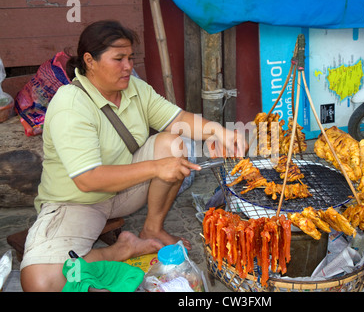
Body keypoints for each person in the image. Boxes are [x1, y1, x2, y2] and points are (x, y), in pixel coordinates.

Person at [20, 20, 247, 292]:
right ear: (90, 61)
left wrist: (218, 131)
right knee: (40, 283)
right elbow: (88, 180)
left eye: (130, 58)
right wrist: (155, 168)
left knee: (172, 144)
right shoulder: (70, 104)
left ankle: (152, 228)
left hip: (124, 190)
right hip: (77, 202)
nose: (128, 66)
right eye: (118, 59)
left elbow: (177, 119)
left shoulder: (135, 89)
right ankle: (121, 249)